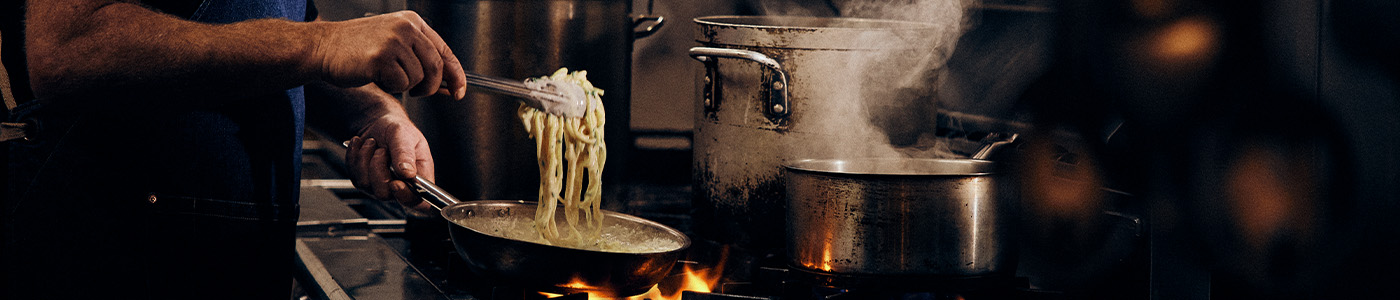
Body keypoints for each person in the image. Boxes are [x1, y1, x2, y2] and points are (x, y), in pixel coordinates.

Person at [1, 0, 465, 298]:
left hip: (235, 261)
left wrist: (373, 113)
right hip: (109, 258)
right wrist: (322, 44)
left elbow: (284, 32)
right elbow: (70, 46)